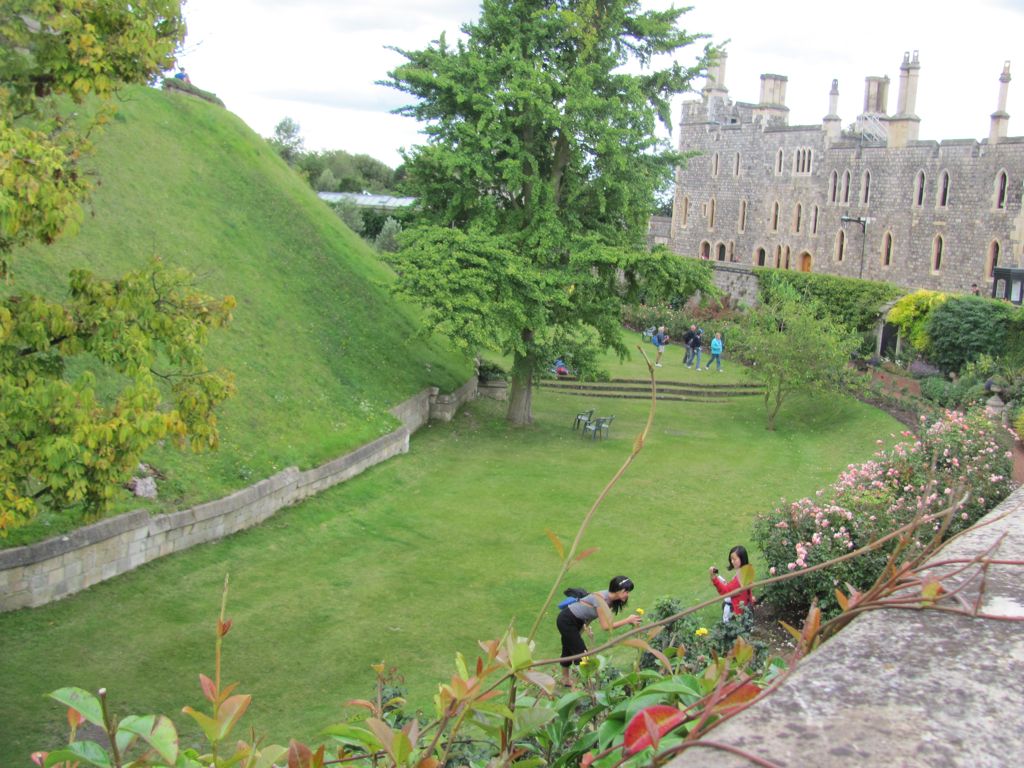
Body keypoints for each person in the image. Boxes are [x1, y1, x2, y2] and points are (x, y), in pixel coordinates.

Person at [556, 575, 643, 686]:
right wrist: (627, 620)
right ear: (618, 591)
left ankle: (565, 679)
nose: (628, 594)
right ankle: (585, 686)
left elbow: (591, 615)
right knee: (582, 655)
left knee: (568, 649)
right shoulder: (601, 600)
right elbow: (606, 626)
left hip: (576, 621)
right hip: (567, 620)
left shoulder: (611, 601)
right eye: (626, 591)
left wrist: (583, 628)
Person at [709, 546, 754, 621]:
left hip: (737, 613)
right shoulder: (747, 571)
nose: (732, 561)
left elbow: (725, 592)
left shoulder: (740, 578)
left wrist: (714, 578)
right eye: (731, 559)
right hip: (745, 608)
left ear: (742, 559)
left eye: (735, 559)